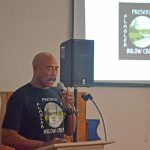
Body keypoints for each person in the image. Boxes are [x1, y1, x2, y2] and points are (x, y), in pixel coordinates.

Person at [1, 52, 76, 150]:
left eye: (56, 68)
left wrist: (71, 108)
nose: (54, 73)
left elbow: (69, 131)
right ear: (35, 69)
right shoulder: (21, 96)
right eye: (49, 68)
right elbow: (7, 137)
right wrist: (43, 145)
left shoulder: (59, 93)